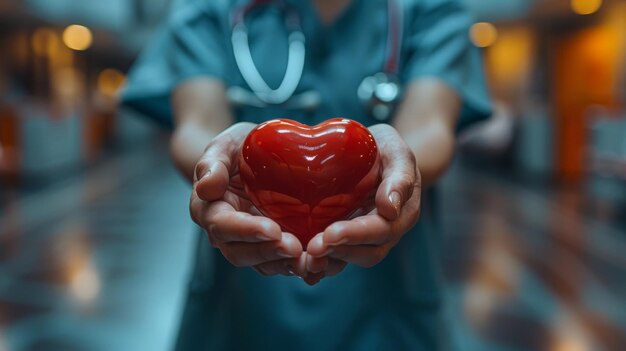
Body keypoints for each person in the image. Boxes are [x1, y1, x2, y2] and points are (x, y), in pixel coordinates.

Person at [121, 0, 491, 349]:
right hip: (242, 306)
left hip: (385, 306)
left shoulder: (429, 7)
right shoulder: (208, 5)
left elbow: (430, 129)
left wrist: (397, 166)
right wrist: (219, 159)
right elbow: (196, 126)